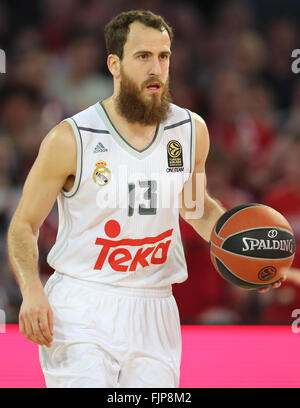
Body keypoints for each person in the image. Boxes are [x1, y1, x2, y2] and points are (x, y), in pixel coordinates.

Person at [7, 10, 283, 388]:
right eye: (143, 56)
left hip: (155, 305)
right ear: (115, 65)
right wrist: (32, 291)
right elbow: (23, 225)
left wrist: (241, 250)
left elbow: (195, 207)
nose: (156, 67)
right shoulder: (70, 138)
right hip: (82, 302)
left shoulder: (190, 129)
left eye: (163, 56)